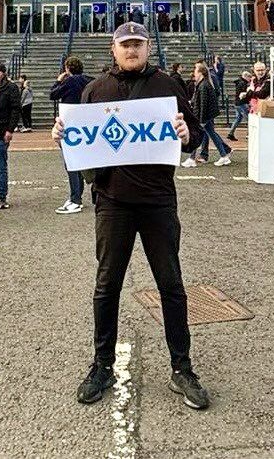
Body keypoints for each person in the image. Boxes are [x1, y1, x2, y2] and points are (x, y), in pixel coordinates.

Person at [52, 22, 207, 411]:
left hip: (158, 199)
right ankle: (102, 365)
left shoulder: (169, 87)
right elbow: (80, 141)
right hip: (113, 202)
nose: (132, 50)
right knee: (107, 286)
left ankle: (182, 367)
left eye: (138, 44)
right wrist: (62, 134)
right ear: (113, 49)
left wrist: (188, 134)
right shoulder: (94, 90)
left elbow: (197, 133)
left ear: (149, 48)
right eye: (126, 45)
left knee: (171, 286)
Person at [50, 56, 91, 214]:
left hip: (71, 125)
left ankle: (76, 199)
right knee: (79, 162)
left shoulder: (69, 81)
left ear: (68, 68)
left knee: (71, 163)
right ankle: (77, 196)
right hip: (86, 124)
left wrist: (59, 81)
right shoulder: (90, 80)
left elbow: (53, 94)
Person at [0, 61, 19, 210]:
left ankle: (2, 196)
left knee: (1, 166)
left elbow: (15, 109)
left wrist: (10, 129)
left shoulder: (11, 88)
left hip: (1, 131)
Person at [191, 61, 232, 167]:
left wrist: (201, 119)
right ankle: (224, 154)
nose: (193, 72)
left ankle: (192, 158)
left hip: (205, 115)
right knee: (212, 134)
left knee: (198, 134)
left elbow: (203, 103)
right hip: (206, 115)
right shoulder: (203, 83)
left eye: (195, 70)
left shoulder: (204, 84)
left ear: (200, 72)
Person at [226, 70, 251, 141]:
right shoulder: (243, 83)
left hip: (237, 103)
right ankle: (249, 134)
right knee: (249, 119)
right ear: (246, 76)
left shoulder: (239, 82)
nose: (249, 79)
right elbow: (244, 94)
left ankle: (231, 133)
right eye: (249, 77)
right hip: (241, 104)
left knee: (238, 119)